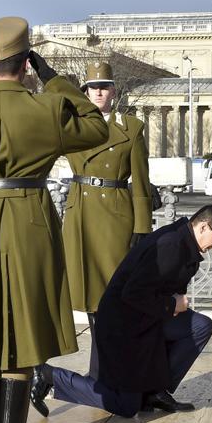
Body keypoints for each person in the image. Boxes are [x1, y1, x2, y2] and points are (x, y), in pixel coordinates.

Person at [0, 16, 109, 423]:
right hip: (31, 223)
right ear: (26, 62)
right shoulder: (47, 108)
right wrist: (54, 79)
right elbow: (97, 125)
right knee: (23, 340)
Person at [30, 204, 212, 418]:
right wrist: (173, 305)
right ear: (202, 227)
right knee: (125, 406)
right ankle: (49, 375)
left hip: (147, 320)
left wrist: (172, 304)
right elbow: (133, 294)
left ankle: (154, 391)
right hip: (123, 328)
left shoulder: (185, 245)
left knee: (201, 326)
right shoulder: (171, 245)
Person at [62, 62, 152, 378]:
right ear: (84, 93)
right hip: (81, 218)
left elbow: (141, 181)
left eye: (105, 86)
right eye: (92, 87)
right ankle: (101, 368)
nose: (99, 91)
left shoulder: (131, 128)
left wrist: (142, 227)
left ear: (114, 91)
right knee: (89, 297)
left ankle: (114, 367)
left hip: (114, 217)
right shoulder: (70, 126)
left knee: (114, 297)